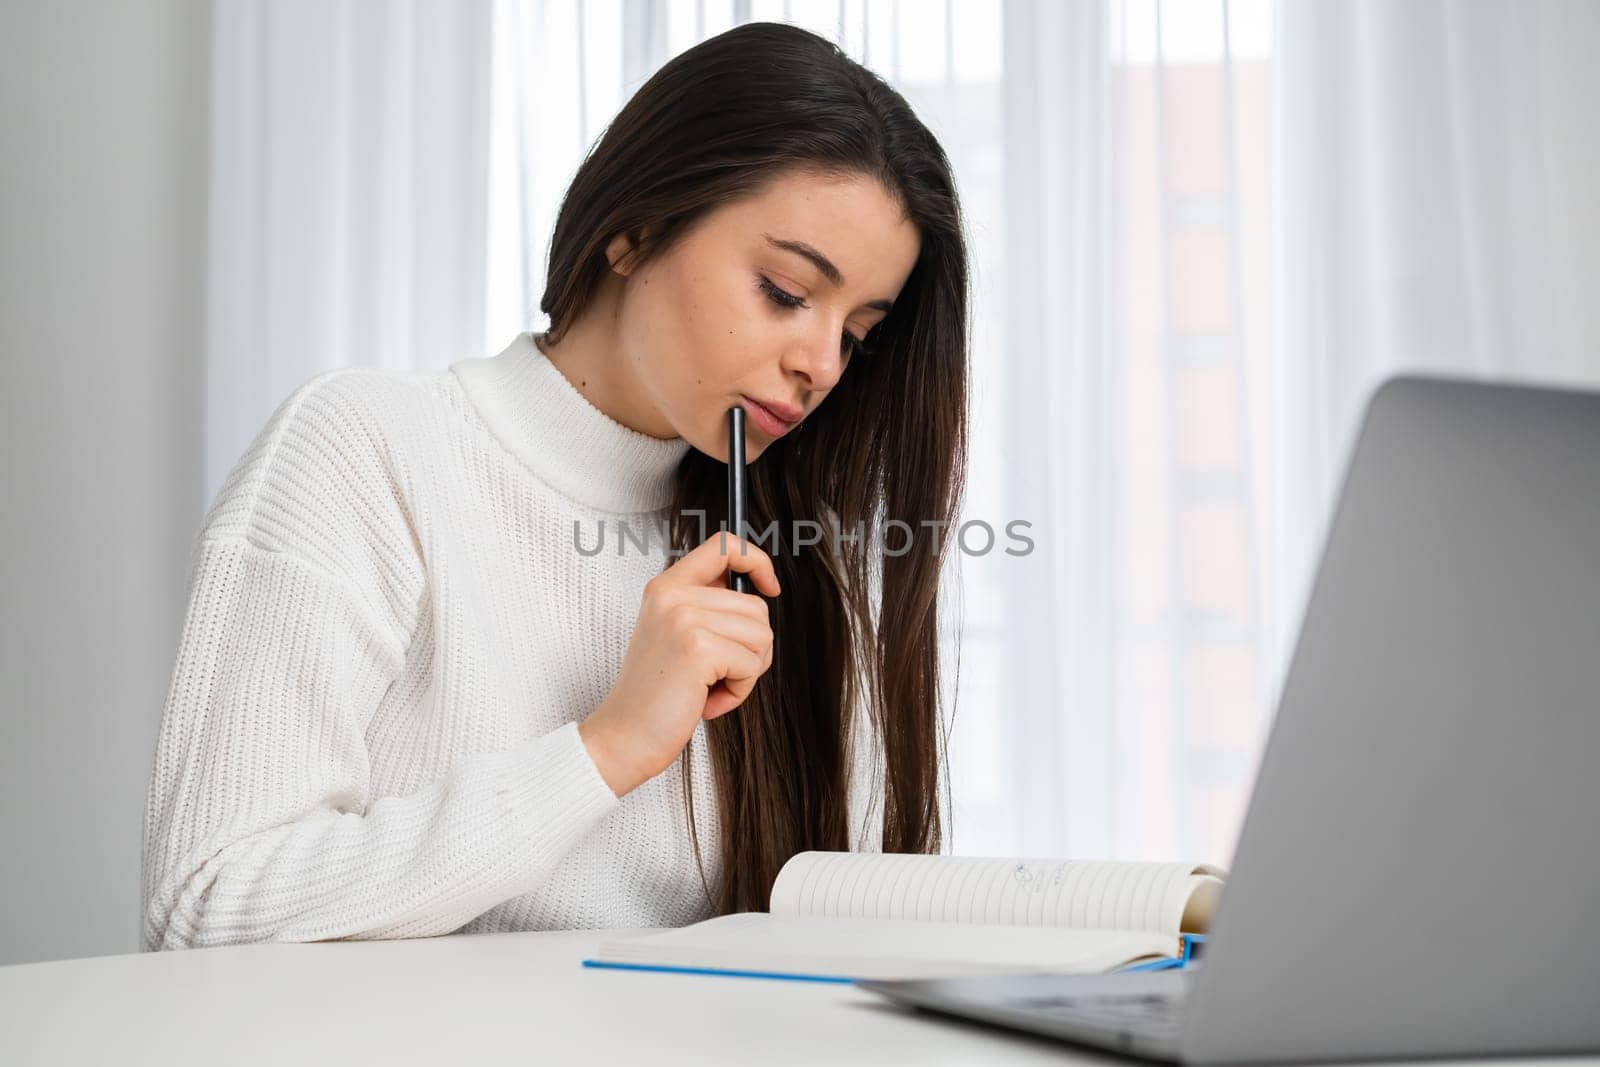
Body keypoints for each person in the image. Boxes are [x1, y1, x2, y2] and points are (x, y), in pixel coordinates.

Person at [140, 20, 970, 951]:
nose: (821, 363)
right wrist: (606, 748)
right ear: (635, 228)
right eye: (784, 290)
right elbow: (207, 909)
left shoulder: (786, 559)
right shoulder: (365, 452)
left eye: (856, 332)